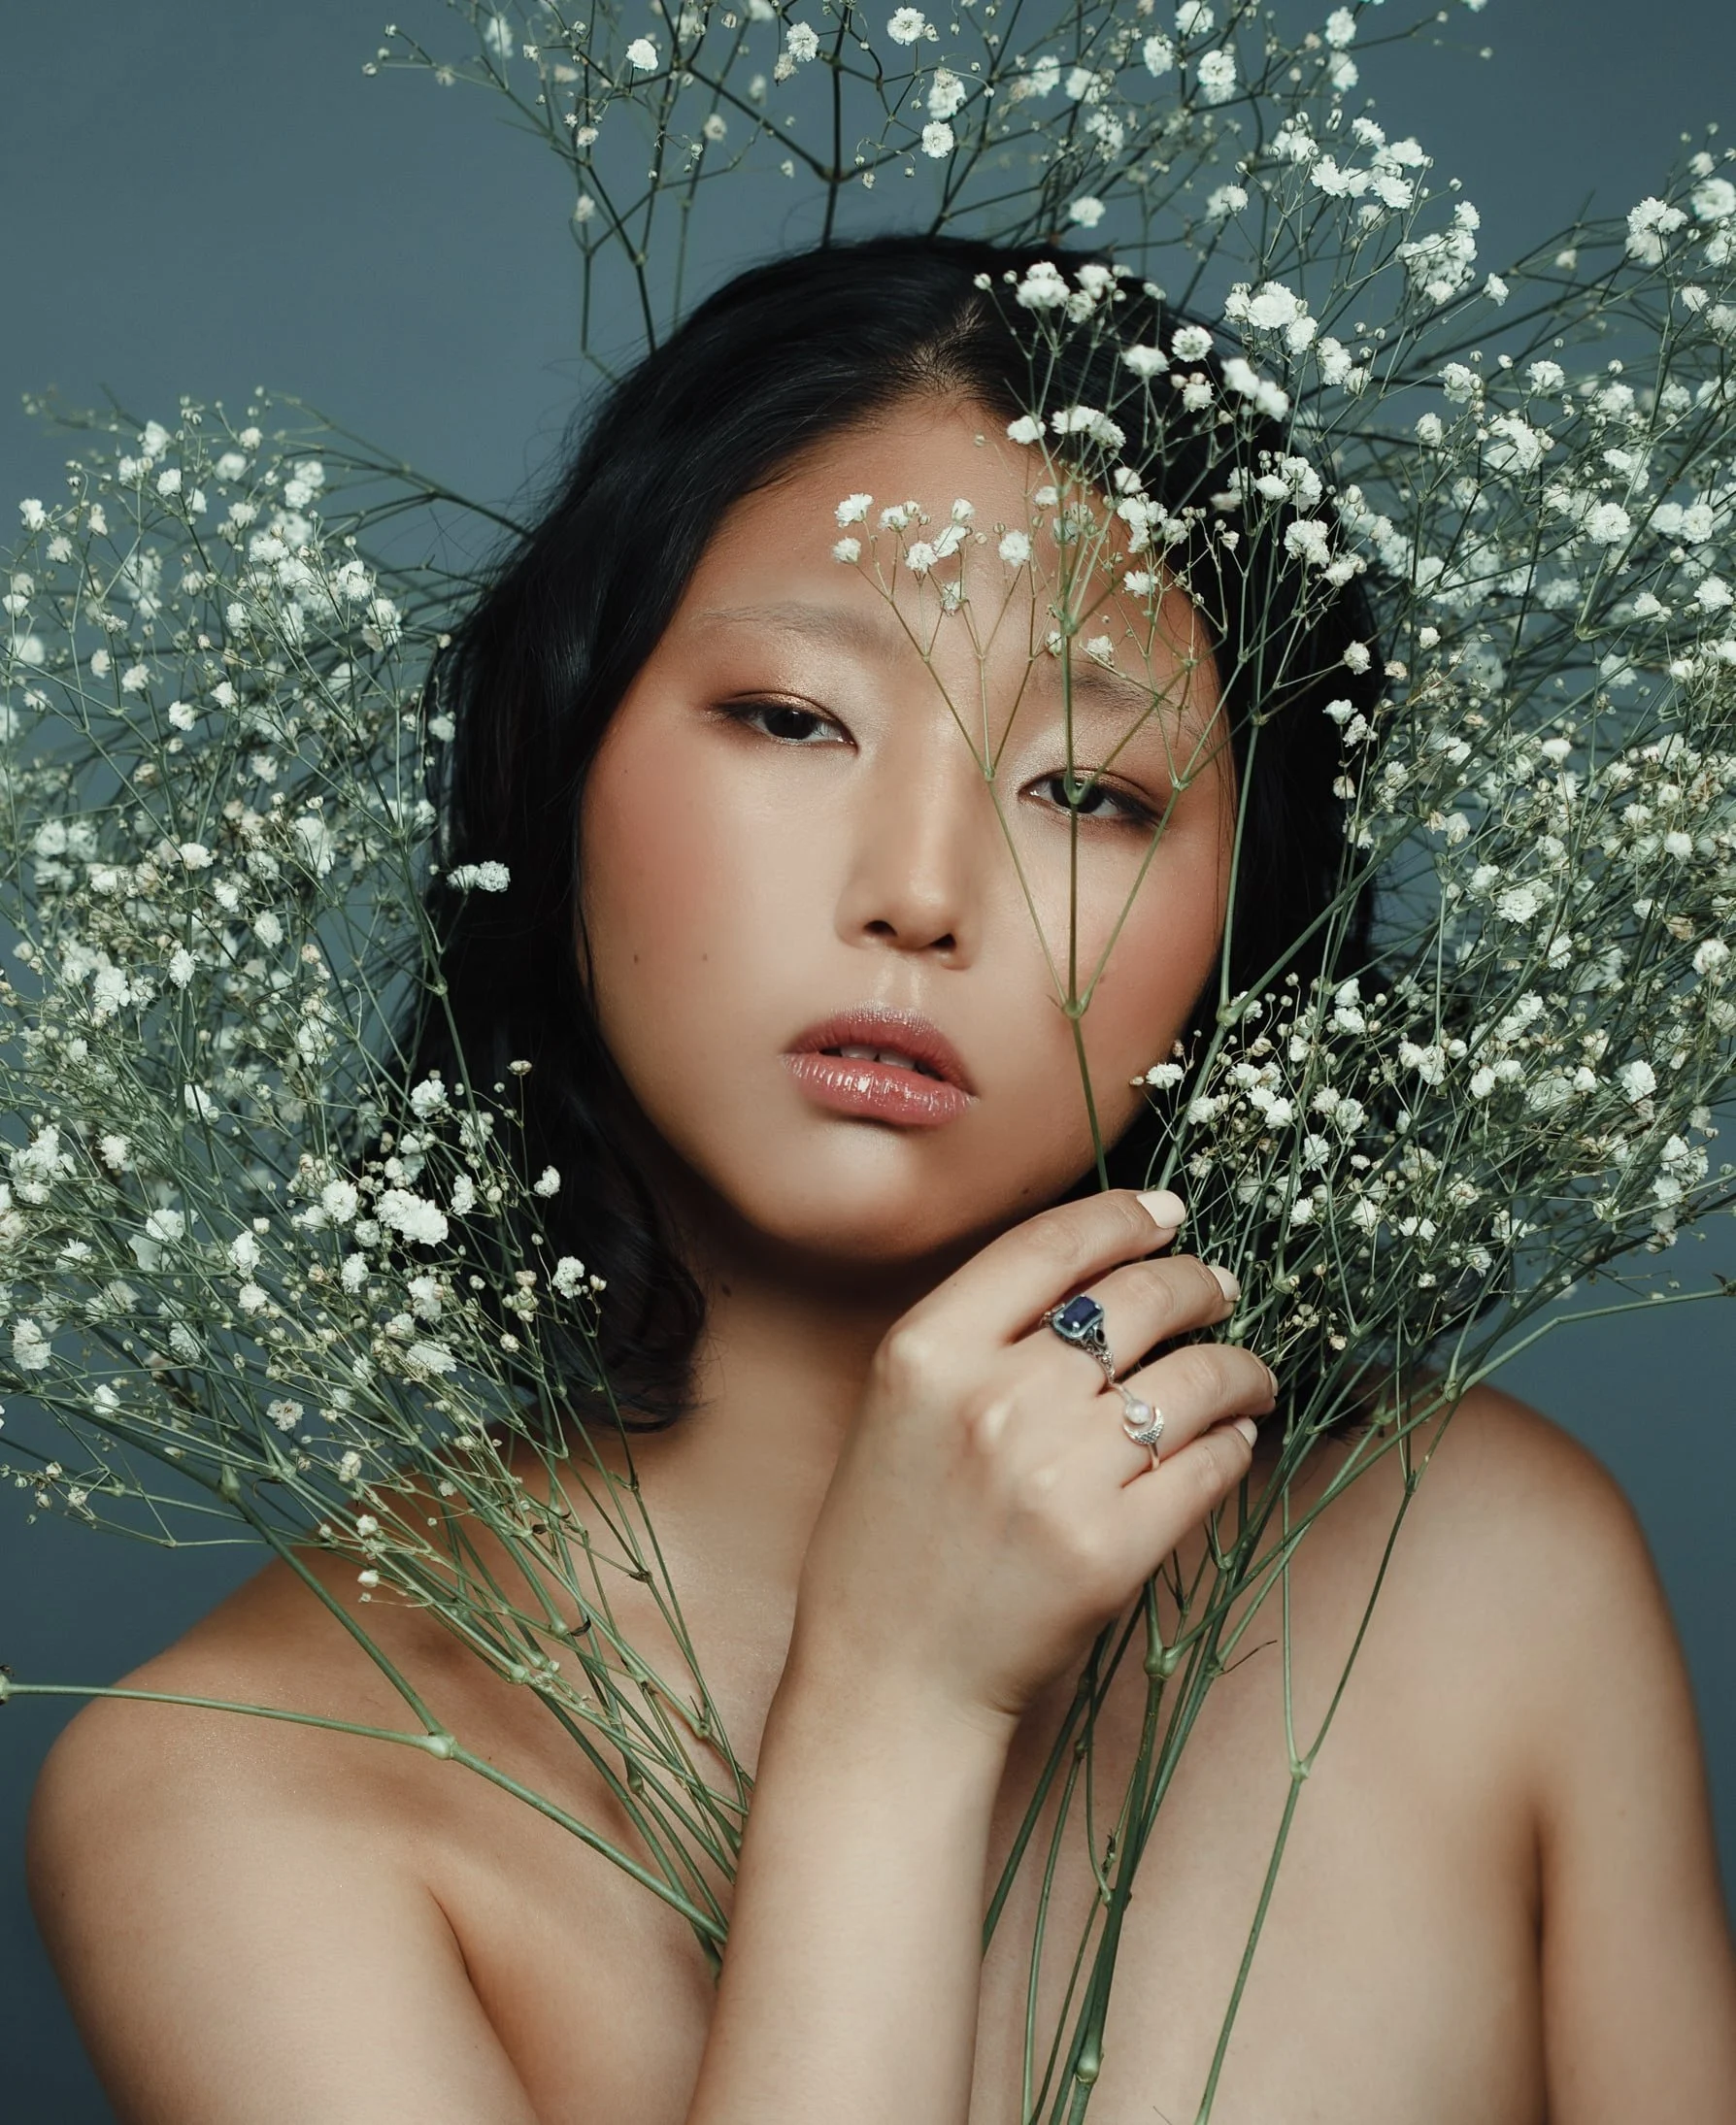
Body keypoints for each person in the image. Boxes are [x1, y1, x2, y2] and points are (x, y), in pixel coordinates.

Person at [26, 235, 1736, 2123]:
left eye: (1091, 791)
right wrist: (896, 1722)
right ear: (551, 748)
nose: (919, 888)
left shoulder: (1486, 1570)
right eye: (792, 719)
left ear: (1247, 923)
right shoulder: (243, 1786)